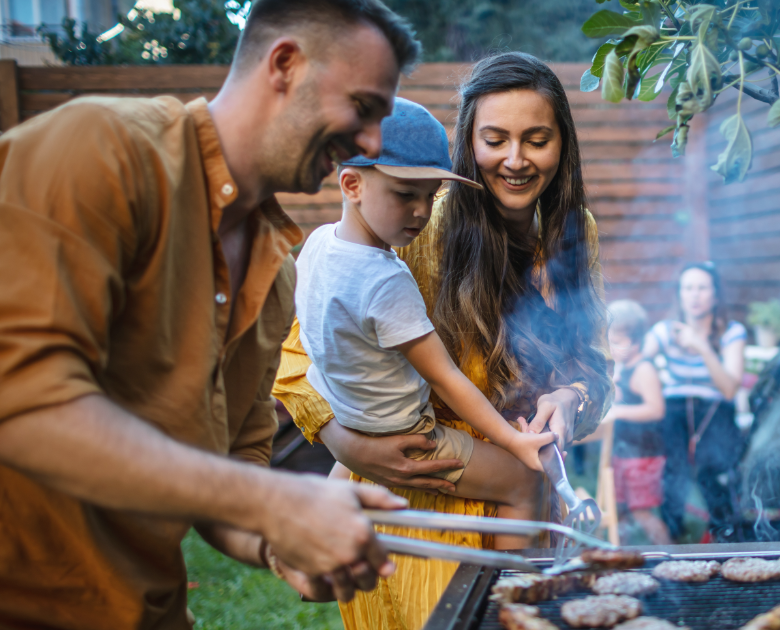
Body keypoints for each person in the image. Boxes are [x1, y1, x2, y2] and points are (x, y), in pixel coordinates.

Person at [0, 1, 428, 626]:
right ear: (285, 64)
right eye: (363, 109)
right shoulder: (100, 150)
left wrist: (277, 541)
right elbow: (22, 400)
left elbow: (231, 465)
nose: (368, 144)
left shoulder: (277, 267)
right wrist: (271, 500)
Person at [273, 52, 612, 629]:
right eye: (495, 139)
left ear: (563, 144)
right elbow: (299, 356)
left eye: (537, 139)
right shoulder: (415, 217)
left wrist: (572, 400)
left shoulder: (576, 231)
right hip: (418, 502)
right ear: (466, 143)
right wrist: (345, 444)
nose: (516, 160)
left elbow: (596, 369)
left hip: (524, 512)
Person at [298, 97, 554, 549]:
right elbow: (446, 378)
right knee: (524, 484)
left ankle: (312, 542)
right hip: (407, 434)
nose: (421, 211)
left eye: (430, 194)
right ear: (352, 184)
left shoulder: (318, 244)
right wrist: (515, 444)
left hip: (348, 412)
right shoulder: (385, 280)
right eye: (404, 194)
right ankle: (510, 599)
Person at [643, 262, 748, 542]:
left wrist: (702, 347)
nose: (695, 295)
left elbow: (728, 389)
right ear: (679, 294)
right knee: (674, 471)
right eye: (688, 288)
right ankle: (674, 537)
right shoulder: (665, 330)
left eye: (702, 288)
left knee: (713, 469)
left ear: (715, 295)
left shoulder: (731, 332)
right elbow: (637, 360)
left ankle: (726, 536)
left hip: (715, 408)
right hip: (675, 406)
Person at [602, 300, 671, 545]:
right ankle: (623, 556)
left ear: (636, 341)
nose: (612, 347)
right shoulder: (624, 366)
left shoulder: (644, 370)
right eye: (610, 341)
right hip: (624, 451)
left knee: (642, 512)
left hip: (643, 456)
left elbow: (656, 409)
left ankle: (671, 557)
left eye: (618, 342)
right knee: (621, 509)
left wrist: (619, 411)